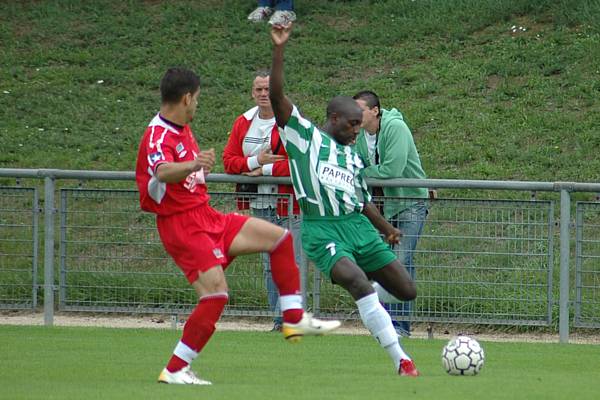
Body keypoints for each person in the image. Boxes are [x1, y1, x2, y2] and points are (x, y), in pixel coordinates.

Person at [135, 67, 341, 385]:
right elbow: (162, 172)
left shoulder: (182, 128)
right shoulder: (158, 134)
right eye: (197, 99)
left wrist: (196, 166)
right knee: (216, 295)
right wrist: (194, 164)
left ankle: (293, 318)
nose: (197, 106)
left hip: (206, 216)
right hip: (182, 225)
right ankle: (175, 369)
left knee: (280, 238)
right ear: (186, 97)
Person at [268, 24, 419, 377]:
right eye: (351, 124)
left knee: (406, 290)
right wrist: (279, 50)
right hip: (323, 230)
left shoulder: (352, 157)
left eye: (358, 124)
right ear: (333, 119)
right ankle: (402, 359)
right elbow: (277, 97)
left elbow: (361, 199)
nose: (356, 131)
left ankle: (370, 302)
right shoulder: (304, 138)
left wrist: (387, 230)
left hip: (357, 227)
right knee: (359, 284)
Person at [223, 70, 302, 332]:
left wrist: (262, 171)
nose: (263, 94)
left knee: (293, 262)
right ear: (252, 92)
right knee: (270, 265)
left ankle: (293, 319)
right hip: (260, 204)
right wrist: (257, 162)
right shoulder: (243, 122)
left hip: (290, 204)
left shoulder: (292, 121)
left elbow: (300, 163)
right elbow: (229, 161)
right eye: (259, 89)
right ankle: (279, 320)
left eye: (268, 89)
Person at [352, 90, 428, 338]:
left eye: (360, 109)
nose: (356, 114)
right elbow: (358, 163)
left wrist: (359, 175)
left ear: (375, 111)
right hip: (383, 207)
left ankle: (400, 327)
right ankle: (384, 323)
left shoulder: (395, 128)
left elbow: (392, 169)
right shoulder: (361, 134)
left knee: (402, 262)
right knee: (381, 264)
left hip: (409, 202)